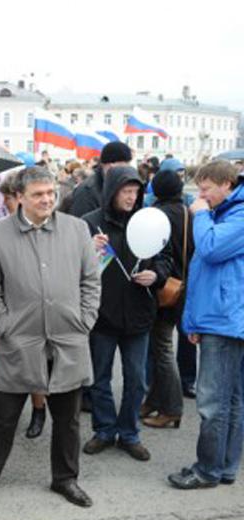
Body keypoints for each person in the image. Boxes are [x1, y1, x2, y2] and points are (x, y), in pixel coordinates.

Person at [0, 166, 101, 510]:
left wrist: (85, 319)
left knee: (68, 419)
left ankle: (65, 478)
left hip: (67, 339)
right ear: (19, 197)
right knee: (2, 417)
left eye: (51, 193)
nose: (46, 199)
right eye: (38, 194)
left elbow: (91, 280)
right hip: (19, 341)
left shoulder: (76, 229)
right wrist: (3, 326)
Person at [81, 167, 168, 462]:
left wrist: (156, 275)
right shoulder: (90, 223)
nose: (132, 197)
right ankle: (104, 430)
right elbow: (74, 265)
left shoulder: (147, 221)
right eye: (126, 191)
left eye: (136, 192)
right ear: (111, 192)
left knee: (136, 379)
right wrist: (88, 250)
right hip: (102, 315)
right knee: (100, 379)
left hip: (139, 314)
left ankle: (129, 433)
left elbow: (165, 258)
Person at [168, 161, 244, 490]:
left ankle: (208, 470)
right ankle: (224, 467)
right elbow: (204, 276)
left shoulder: (236, 215)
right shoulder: (225, 212)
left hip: (225, 321)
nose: (200, 196)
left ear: (227, 184)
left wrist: (201, 215)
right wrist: (193, 322)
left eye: (206, 189)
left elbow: (210, 250)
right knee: (231, 399)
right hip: (222, 318)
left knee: (214, 401)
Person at [142, 170, 195, 429]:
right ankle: (153, 400)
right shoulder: (187, 212)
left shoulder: (157, 215)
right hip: (183, 287)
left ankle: (172, 408)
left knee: (161, 349)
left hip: (164, 289)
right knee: (159, 347)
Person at [67, 141, 133, 218]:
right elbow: (79, 222)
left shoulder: (114, 184)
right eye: (125, 165)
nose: (127, 170)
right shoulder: (87, 191)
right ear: (110, 166)